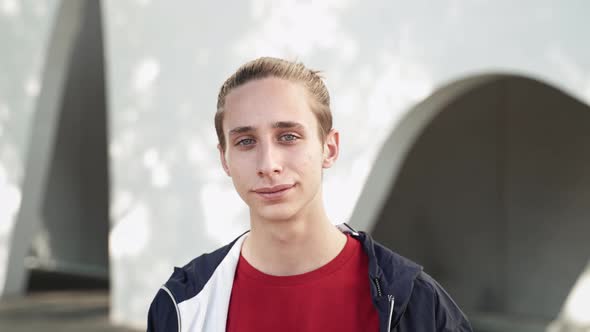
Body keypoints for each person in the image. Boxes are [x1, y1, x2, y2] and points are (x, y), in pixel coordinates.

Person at [147, 57, 472, 331]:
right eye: (246, 141)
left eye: (288, 136)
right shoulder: (182, 304)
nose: (268, 164)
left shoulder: (416, 303)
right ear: (224, 159)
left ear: (329, 149)